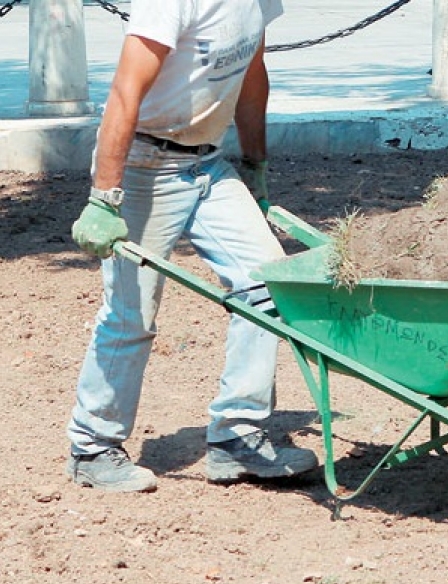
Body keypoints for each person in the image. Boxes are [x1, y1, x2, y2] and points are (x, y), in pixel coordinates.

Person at [64, 0, 318, 492]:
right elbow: (125, 90)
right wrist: (104, 197)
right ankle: (93, 446)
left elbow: (251, 78)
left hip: (206, 164)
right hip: (143, 165)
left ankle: (236, 436)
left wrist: (256, 166)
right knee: (131, 311)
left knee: (266, 283)